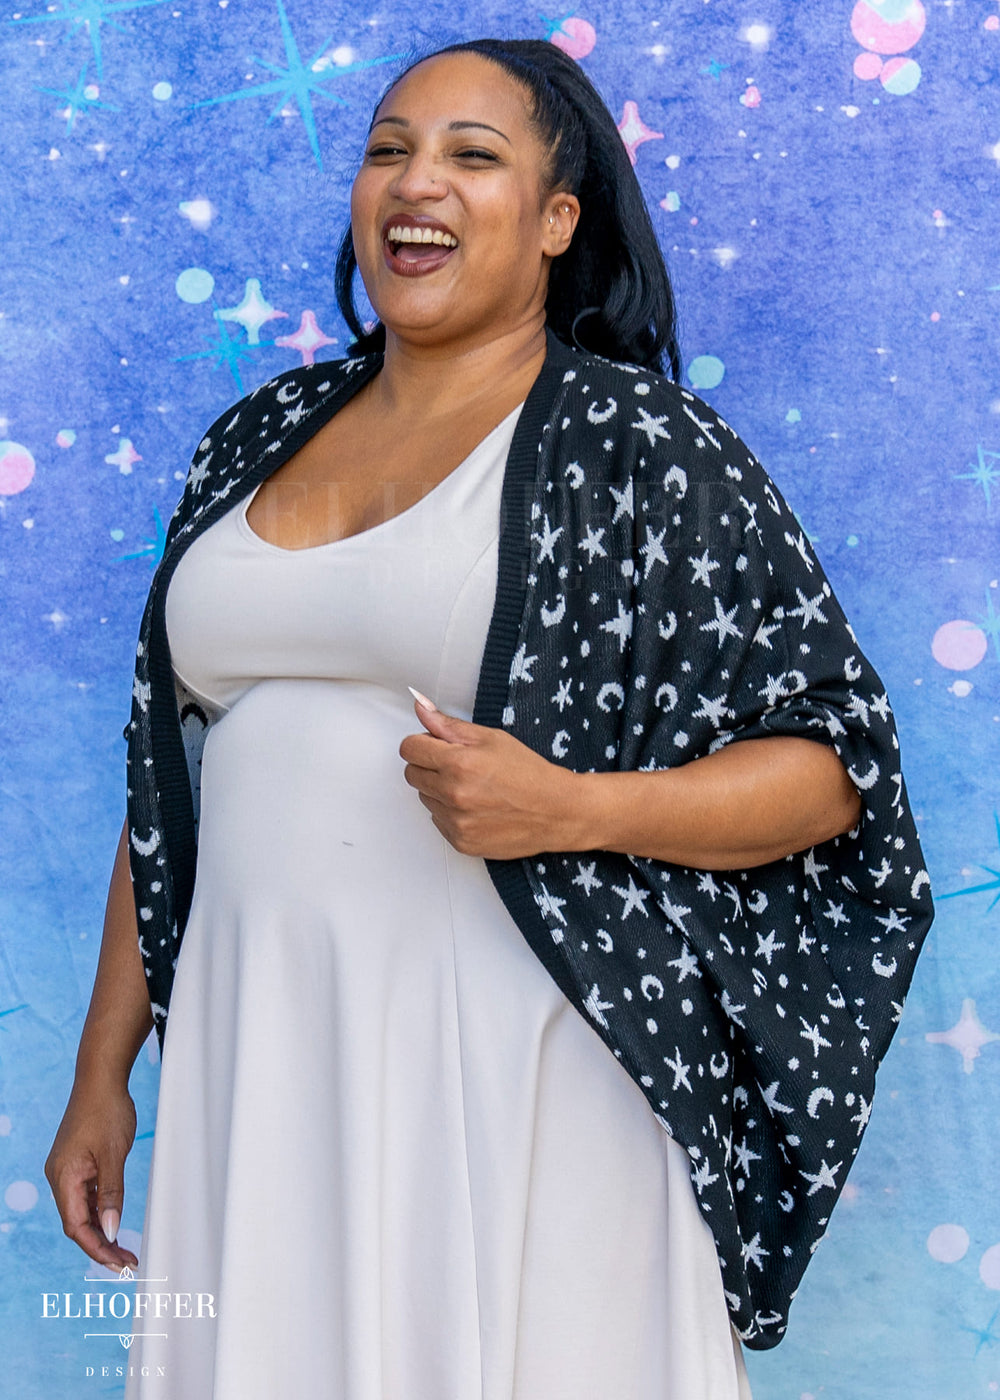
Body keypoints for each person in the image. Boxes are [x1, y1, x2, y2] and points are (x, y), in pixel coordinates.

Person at [45, 37, 932, 1400]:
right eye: (391, 148)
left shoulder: (637, 447)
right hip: (264, 1062)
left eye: (475, 156)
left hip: (524, 1055)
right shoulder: (253, 436)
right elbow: (173, 789)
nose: (419, 183)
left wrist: (579, 808)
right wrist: (105, 1069)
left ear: (558, 220)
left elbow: (832, 774)